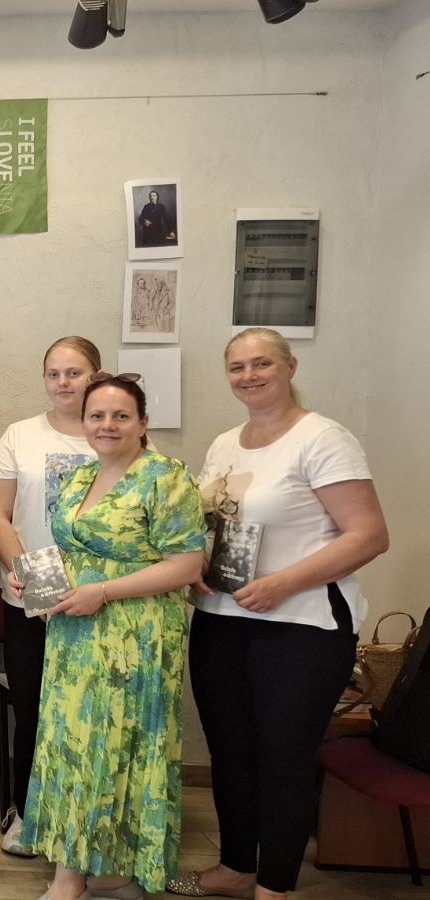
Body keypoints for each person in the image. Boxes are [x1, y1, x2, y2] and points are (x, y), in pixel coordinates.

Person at [167, 329, 389, 900]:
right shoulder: (225, 444)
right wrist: (196, 563)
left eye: (261, 363)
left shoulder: (322, 439)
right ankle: (237, 866)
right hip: (221, 618)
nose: (249, 376)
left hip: (301, 625)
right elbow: (217, 525)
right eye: (237, 367)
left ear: (289, 367)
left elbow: (368, 534)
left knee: (284, 758)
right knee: (230, 751)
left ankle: (275, 886)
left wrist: (284, 583)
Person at [21, 373, 206, 900]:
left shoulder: (165, 476)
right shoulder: (80, 475)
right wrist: (32, 580)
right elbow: (70, 550)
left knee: (115, 745)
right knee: (71, 745)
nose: (107, 425)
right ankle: (99, 866)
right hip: (74, 634)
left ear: (143, 422)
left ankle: (78, 876)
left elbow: (186, 565)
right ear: (83, 422)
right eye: (97, 415)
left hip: (135, 636)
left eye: (121, 416)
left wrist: (102, 592)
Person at [0, 336, 100, 857]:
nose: (63, 382)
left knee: (88, 715)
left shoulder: (114, 432)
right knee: (34, 710)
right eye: (54, 373)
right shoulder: (21, 435)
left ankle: (82, 822)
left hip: (99, 600)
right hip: (30, 595)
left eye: (74, 372)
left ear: (96, 376)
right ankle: (29, 814)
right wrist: (23, 573)